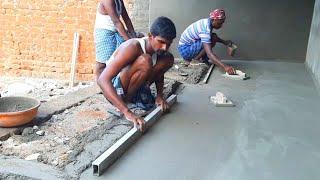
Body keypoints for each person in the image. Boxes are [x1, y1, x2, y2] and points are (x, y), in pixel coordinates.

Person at [97, 16, 177, 132]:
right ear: (150, 36)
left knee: (168, 58)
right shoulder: (133, 47)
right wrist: (127, 112)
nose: (164, 47)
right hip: (116, 89)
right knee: (145, 60)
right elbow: (102, 80)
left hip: (135, 86)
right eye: (161, 42)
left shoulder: (160, 50)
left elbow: (160, 73)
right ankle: (126, 102)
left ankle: (136, 97)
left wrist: (160, 95)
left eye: (168, 44)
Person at [177, 9, 236, 75]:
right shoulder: (205, 29)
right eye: (219, 23)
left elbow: (212, 37)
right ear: (213, 20)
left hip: (188, 46)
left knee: (213, 36)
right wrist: (225, 67)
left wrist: (225, 42)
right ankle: (195, 60)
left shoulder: (207, 22)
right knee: (210, 40)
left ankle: (199, 60)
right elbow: (209, 54)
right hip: (185, 50)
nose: (221, 26)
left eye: (222, 23)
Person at [94, 0, 140, 80]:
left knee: (119, 58)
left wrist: (133, 35)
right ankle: (101, 85)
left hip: (116, 31)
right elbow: (116, 22)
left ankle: (112, 83)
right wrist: (130, 41)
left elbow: (126, 19)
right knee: (102, 63)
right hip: (104, 32)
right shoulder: (108, 1)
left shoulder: (119, 1)